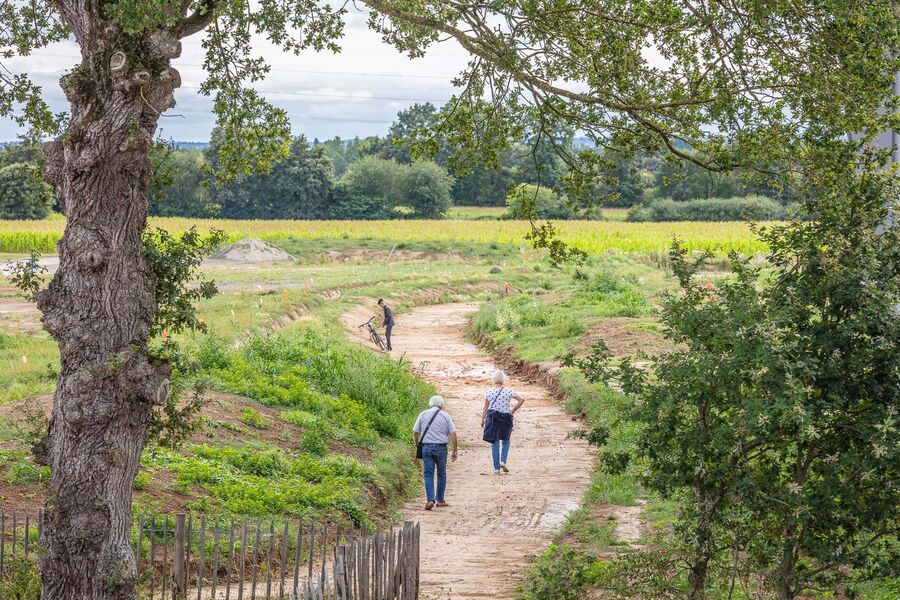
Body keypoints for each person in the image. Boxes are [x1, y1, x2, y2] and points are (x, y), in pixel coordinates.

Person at [413, 395, 458, 510]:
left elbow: (415, 432)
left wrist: (417, 444)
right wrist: (455, 450)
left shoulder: (423, 414)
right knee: (441, 473)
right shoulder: (445, 415)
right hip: (441, 448)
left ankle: (430, 500)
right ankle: (441, 500)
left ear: (430, 404)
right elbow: (453, 434)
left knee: (428, 474)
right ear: (442, 405)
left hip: (426, 447)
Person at [481, 370, 525, 475]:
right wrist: (512, 411)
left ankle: (496, 469)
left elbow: (485, 408)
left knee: (494, 442)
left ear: (493, 379)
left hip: (493, 419)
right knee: (506, 441)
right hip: (505, 418)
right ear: (503, 379)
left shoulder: (489, 392)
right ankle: (503, 461)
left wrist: (482, 419)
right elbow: (521, 400)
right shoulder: (508, 391)